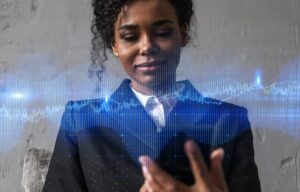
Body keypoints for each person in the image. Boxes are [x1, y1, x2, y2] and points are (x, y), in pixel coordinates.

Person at [43, 0, 261, 191]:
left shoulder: (229, 121)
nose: (146, 46)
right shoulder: (81, 120)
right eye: (130, 36)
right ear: (114, 45)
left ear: (182, 34)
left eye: (163, 33)